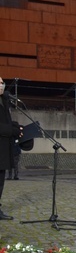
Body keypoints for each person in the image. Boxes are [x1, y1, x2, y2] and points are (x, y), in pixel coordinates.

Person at [0, 77, 22, 220]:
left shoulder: (4, 101)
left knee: (1, 181)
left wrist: (17, 127)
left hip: (3, 150)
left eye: (2, 83)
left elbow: (6, 122)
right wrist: (12, 130)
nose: (2, 85)